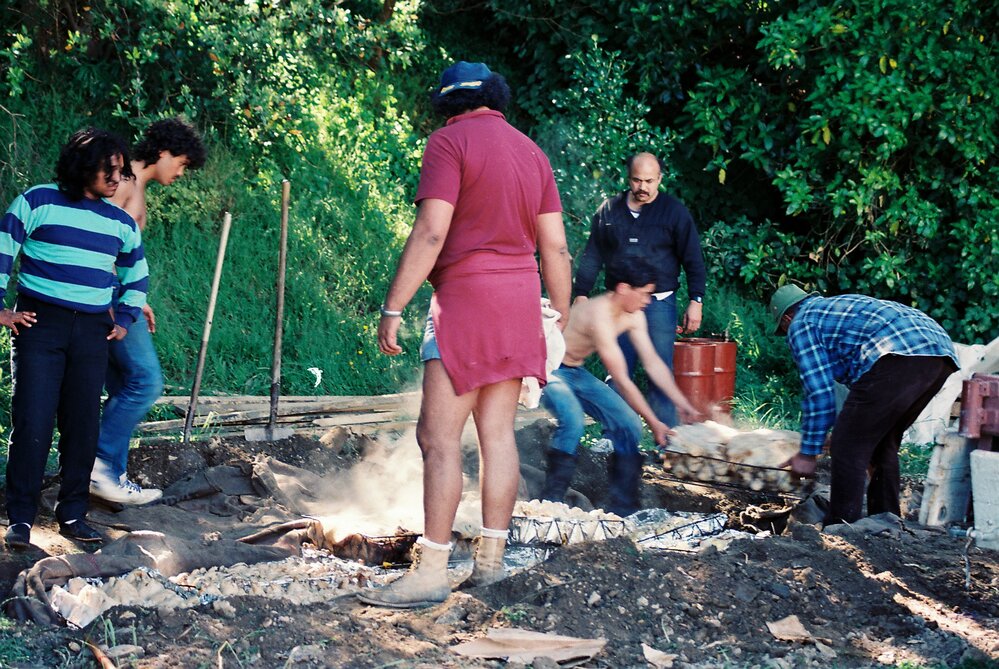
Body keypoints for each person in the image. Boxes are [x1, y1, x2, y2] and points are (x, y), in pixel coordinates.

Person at [361, 61, 571, 609]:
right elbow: (556, 248)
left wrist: (394, 305)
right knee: (498, 434)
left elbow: (432, 230)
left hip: (467, 298)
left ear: (447, 104)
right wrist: (561, 311)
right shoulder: (532, 152)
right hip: (521, 299)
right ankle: (492, 565)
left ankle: (430, 571)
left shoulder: (448, 143)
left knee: (437, 437)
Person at [1, 127, 148, 549]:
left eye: (122, 173)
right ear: (86, 166)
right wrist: (2, 309)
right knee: (33, 420)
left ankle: (72, 515)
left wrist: (125, 316)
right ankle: (22, 520)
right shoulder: (37, 201)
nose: (118, 180)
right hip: (38, 326)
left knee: (83, 426)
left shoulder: (120, 223)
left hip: (91, 333)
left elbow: (137, 275)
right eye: (112, 170)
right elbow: (3, 247)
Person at [770, 284, 958, 526]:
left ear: (787, 318)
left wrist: (807, 453)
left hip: (899, 355)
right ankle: (885, 521)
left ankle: (840, 528)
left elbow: (819, 391)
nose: (787, 335)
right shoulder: (833, 310)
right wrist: (836, 432)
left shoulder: (801, 323)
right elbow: (863, 397)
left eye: (783, 330)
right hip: (939, 353)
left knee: (847, 447)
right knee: (881, 443)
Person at [90, 118, 206, 506]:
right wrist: (116, 301)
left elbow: (121, 253)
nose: (182, 172)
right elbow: (96, 242)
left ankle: (111, 479)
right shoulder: (123, 183)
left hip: (120, 294)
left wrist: (139, 298)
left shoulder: (134, 186)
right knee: (145, 381)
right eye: (183, 163)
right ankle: (99, 463)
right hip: (106, 298)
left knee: (123, 386)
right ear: (164, 152)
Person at [540, 256, 701, 516]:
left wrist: (683, 405)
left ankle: (623, 509)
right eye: (645, 294)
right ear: (624, 288)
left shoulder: (633, 315)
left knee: (629, 425)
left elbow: (653, 364)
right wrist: (655, 422)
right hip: (549, 369)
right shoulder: (599, 313)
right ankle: (549, 505)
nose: (648, 301)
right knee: (573, 421)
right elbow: (622, 380)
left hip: (576, 371)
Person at [573, 152, 706, 427]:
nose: (642, 187)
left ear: (659, 179)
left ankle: (667, 441)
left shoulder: (674, 213)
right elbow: (592, 254)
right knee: (618, 369)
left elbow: (693, 257)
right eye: (637, 180)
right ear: (628, 178)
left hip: (658, 303)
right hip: (617, 304)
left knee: (659, 369)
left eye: (649, 181)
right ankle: (613, 436)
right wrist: (582, 292)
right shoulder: (609, 210)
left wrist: (696, 299)